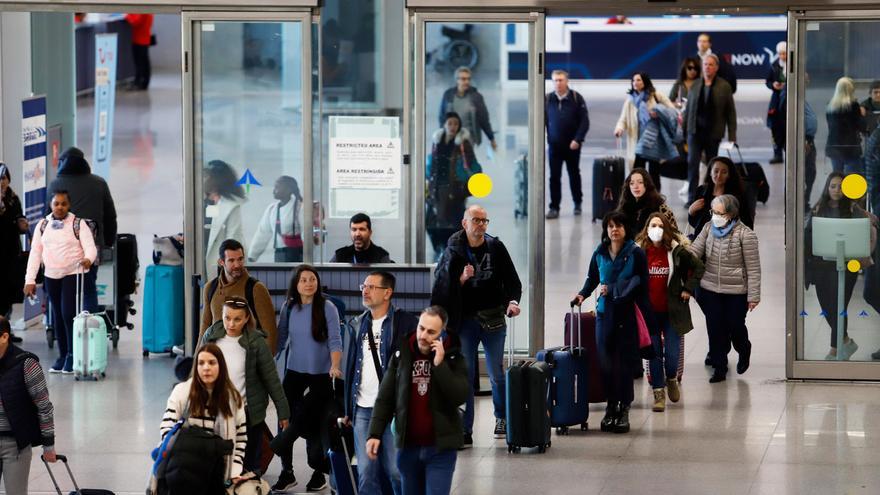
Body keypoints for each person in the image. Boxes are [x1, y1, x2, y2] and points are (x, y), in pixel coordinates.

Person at [430, 205, 522, 446]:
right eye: (476, 220)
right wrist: (460, 280)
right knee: (466, 374)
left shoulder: (495, 247)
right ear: (465, 223)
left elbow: (513, 281)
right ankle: (464, 427)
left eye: (484, 221)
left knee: (496, 374)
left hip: (493, 319)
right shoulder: (453, 250)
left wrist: (512, 302)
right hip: (466, 321)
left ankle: (501, 417)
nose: (481, 225)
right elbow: (440, 288)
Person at [365, 306, 468, 495]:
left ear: (442, 334)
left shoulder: (454, 357)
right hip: (408, 448)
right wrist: (374, 434)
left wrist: (440, 365)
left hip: (440, 450)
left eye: (431, 332)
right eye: (421, 328)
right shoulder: (401, 354)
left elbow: (459, 396)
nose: (423, 335)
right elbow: (385, 398)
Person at [573, 210, 652, 434]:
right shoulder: (600, 252)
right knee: (606, 362)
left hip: (626, 313)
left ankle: (624, 406)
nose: (614, 230)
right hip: (604, 314)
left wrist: (617, 289)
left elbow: (642, 283)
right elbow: (592, 278)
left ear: (626, 229)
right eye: (610, 226)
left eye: (618, 225)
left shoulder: (636, 253)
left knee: (624, 364)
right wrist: (582, 294)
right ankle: (611, 405)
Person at [343, 271, 419, 494]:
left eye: (371, 287)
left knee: (396, 470)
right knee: (366, 472)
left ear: (388, 293)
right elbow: (351, 370)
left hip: (393, 410)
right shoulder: (357, 324)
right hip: (363, 410)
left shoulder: (404, 323)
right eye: (363, 286)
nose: (365, 291)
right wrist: (348, 408)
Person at [201, 296, 290, 475]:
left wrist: (283, 413)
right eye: (227, 318)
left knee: (249, 465)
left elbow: (271, 379)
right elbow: (200, 372)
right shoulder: (212, 335)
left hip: (248, 414)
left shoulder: (256, 343)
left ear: (247, 318)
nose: (231, 324)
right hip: (217, 411)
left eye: (237, 319)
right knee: (217, 464)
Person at [274, 265, 343, 493]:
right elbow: (281, 339)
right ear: (296, 284)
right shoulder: (288, 307)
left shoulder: (328, 307)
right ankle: (287, 472)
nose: (308, 283)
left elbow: (335, 340)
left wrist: (334, 366)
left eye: (312, 279)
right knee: (285, 417)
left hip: (321, 375)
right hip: (294, 372)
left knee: (312, 421)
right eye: (303, 280)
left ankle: (318, 473)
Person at [634, 214, 704, 412]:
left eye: (660, 226)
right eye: (652, 225)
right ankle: (658, 393)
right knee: (654, 354)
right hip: (649, 314)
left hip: (672, 312)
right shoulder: (639, 252)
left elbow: (699, 267)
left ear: (666, 230)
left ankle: (671, 377)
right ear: (647, 228)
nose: (656, 228)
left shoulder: (676, 251)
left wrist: (688, 289)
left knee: (672, 355)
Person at [805, 173, 877, 360]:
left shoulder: (854, 209)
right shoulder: (817, 209)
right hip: (822, 267)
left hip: (847, 266)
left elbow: (869, 230)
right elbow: (808, 236)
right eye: (833, 186)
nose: (837, 190)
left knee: (839, 306)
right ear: (827, 188)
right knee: (828, 307)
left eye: (840, 186)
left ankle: (835, 350)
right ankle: (844, 340)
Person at [689, 194, 761, 383]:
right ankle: (719, 367)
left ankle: (744, 348)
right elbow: (695, 250)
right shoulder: (708, 228)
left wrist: (753, 296)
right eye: (713, 212)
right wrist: (680, 252)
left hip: (736, 292)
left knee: (735, 327)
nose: (715, 216)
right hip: (710, 288)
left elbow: (753, 268)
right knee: (715, 329)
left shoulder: (746, 235)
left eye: (719, 213)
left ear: (730, 214)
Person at [24, 191, 97, 374]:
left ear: (69, 205)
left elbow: (90, 247)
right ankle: (63, 354)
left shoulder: (78, 224)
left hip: (72, 273)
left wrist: (88, 259)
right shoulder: (43, 225)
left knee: (67, 313)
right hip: (51, 274)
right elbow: (35, 253)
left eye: (64, 204)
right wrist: (30, 280)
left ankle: (73, 354)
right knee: (56, 315)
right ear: (51, 205)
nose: (60, 207)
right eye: (56, 203)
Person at [159, 344, 249, 492]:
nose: (206, 368)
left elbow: (240, 438)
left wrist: (235, 470)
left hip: (217, 473)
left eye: (212, 362)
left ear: (221, 366)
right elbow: (167, 429)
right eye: (201, 363)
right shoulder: (182, 392)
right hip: (183, 471)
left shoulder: (233, 398)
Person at [47, 147, 117, 313]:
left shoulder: (55, 186)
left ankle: (67, 332)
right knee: (88, 289)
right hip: (91, 247)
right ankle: (88, 331)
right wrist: (107, 242)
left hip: (60, 249)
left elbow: (47, 219)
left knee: (64, 291)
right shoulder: (99, 183)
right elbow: (110, 217)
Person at [0, 315, 56, 495]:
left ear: (4, 337)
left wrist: (48, 445)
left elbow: (44, 406)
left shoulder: (26, 364)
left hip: (14, 445)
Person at [200, 239, 278, 354]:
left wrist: (264, 365)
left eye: (240, 259)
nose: (237, 265)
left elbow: (270, 332)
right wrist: (197, 361)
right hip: (218, 358)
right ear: (221, 262)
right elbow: (205, 326)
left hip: (247, 360)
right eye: (231, 260)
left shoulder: (256, 288)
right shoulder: (210, 288)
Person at [682, 54, 737, 203]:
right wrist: (684, 132)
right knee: (692, 165)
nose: (707, 67)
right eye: (705, 64)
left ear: (717, 67)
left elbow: (730, 113)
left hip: (713, 133)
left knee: (713, 167)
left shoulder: (724, 86)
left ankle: (710, 197)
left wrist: (732, 136)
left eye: (711, 64)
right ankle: (692, 198)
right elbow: (688, 111)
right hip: (694, 133)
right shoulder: (695, 85)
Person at [614, 72, 677, 191]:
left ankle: (656, 199)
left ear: (645, 82)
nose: (635, 83)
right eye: (633, 81)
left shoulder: (656, 96)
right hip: (637, 143)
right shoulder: (630, 101)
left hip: (653, 142)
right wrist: (619, 128)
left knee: (654, 174)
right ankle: (638, 199)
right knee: (637, 174)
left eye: (638, 80)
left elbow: (672, 111)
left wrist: (658, 112)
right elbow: (623, 118)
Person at [427, 112, 477, 256]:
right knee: (432, 221)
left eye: (455, 123)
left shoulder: (463, 143)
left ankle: (451, 250)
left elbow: (471, 162)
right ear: (444, 124)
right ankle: (441, 248)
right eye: (450, 123)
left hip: (456, 188)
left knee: (454, 221)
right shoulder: (437, 141)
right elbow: (433, 163)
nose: (453, 126)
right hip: (437, 186)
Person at [545, 69, 590, 219]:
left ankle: (577, 203)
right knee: (554, 177)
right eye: (555, 80)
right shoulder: (547, 99)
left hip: (572, 146)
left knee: (574, 175)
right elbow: (542, 122)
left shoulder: (576, 98)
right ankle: (554, 207)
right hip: (554, 147)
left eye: (561, 80)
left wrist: (578, 139)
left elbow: (584, 122)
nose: (558, 83)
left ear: (567, 81)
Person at [688, 156, 755, 238]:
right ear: (710, 172)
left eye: (724, 172)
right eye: (716, 171)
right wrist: (691, 211)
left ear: (729, 175)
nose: (719, 175)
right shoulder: (702, 191)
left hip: (727, 245)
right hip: (702, 242)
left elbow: (748, 225)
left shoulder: (737, 197)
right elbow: (696, 224)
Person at [0, 164, 28, 342]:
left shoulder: (13, 198)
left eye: (4, 178)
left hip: (10, 253)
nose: (1, 182)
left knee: (8, 293)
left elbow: (18, 218)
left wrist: (22, 225)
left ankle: (5, 331)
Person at [437, 67, 497, 151]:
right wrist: (442, 135)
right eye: (463, 79)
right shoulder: (448, 95)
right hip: (451, 135)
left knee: (464, 160)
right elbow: (442, 116)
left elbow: (484, 119)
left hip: (468, 137)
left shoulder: (476, 97)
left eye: (469, 79)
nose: (467, 82)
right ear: (457, 80)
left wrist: (491, 138)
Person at [204, 160, 246, 278]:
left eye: (207, 176)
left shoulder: (231, 206)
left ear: (217, 179)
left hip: (220, 265)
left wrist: (231, 269)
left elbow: (233, 239)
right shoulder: (204, 202)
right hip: (200, 261)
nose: (204, 180)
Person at [248, 175, 304, 263]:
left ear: (288, 190)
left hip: (297, 253)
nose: (273, 190)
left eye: (277, 187)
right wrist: (251, 257)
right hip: (279, 254)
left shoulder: (299, 207)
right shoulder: (272, 209)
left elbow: (306, 233)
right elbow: (262, 234)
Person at [616, 168, 680, 237]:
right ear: (628, 186)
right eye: (632, 183)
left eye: (640, 182)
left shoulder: (660, 207)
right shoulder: (625, 206)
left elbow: (674, 234)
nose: (635, 186)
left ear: (647, 184)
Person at [826, 77, 866, 174]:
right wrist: (862, 114)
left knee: (837, 176)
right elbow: (861, 126)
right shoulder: (853, 106)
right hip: (850, 147)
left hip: (833, 146)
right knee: (853, 180)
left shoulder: (830, 105)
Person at [766, 41, 787, 164]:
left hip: (788, 101)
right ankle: (777, 154)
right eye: (780, 54)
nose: (782, 56)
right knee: (775, 128)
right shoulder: (774, 65)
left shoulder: (793, 65)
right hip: (776, 100)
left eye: (784, 54)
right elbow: (767, 81)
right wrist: (773, 85)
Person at [124, 13, 154, 90]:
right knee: (144, 62)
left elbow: (135, 21)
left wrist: (127, 16)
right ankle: (144, 82)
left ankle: (139, 83)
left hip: (139, 39)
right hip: (145, 38)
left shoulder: (142, 10)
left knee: (139, 63)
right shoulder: (149, 10)